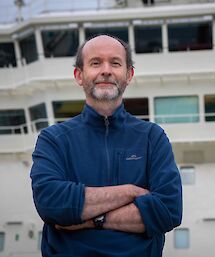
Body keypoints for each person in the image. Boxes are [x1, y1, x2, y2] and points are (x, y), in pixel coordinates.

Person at [30, 35, 182, 257]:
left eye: (115, 63)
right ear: (79, 75)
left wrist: (90, 220)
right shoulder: (54, 139)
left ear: (129, 75)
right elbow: (51, 203)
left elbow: (168, 210)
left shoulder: (152, 138)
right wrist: (129, 192)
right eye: (95, 63)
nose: (106, 70)